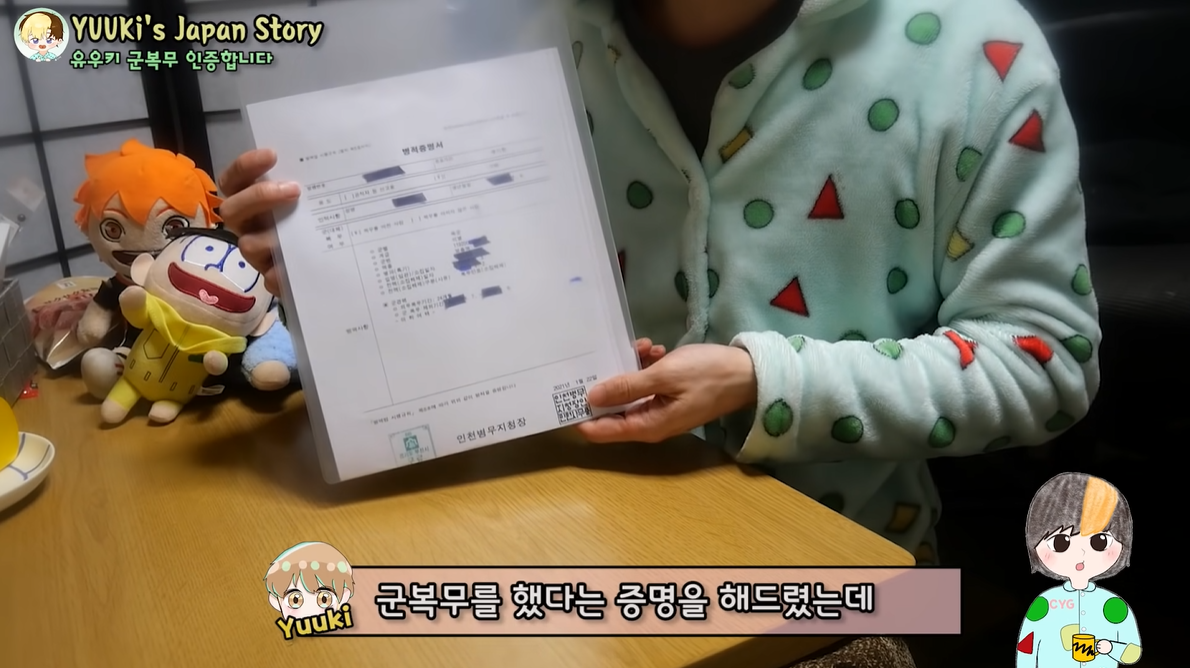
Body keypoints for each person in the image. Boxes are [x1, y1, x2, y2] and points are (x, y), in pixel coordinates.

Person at [220, 1, 1098, 662]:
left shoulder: (973, 51)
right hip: (549, 552)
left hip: (851, 586)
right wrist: (323, 276)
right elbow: (457, 320)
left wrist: (765, 383)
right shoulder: (525, 34)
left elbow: (1045, 360)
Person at [1016, 473, 1141, 665]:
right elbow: (1026, 648)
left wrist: (1111, 648)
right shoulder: (1045, 604)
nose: (1081, 553)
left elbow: (1133, 652)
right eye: (1060, 542)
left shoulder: (1114, 606)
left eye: (1100, 541)